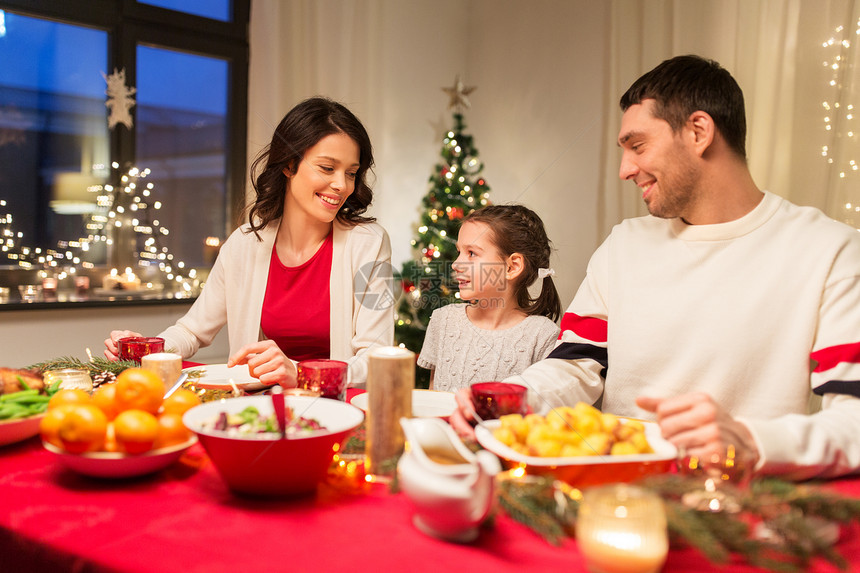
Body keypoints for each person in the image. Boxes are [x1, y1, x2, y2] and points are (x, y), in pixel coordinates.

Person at [452, 55, 860, 480]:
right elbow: (575, 364)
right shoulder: (624, 245)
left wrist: (751, 441)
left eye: (638, 145)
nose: (626, 169)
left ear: (699, 132)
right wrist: (511, 397)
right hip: (615, 492)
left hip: (740, 498)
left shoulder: (830, 250)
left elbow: (855, 420)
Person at [105, 97, 394, 387]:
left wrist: (301, 374)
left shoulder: (369, 244)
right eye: (327, 168)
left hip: (337, 412)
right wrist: (146, 350)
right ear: (289, 165)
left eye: (351, 173)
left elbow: (377, 356)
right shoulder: (243, 244)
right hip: (258, 414)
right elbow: (192, 331)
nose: (342, 185)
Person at [417, 204, 561, 392]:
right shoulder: (443, 320)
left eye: (471, 253)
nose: (455, 264)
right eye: (459, 251)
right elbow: (434, 401)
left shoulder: (542, 336)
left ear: (512, 267)